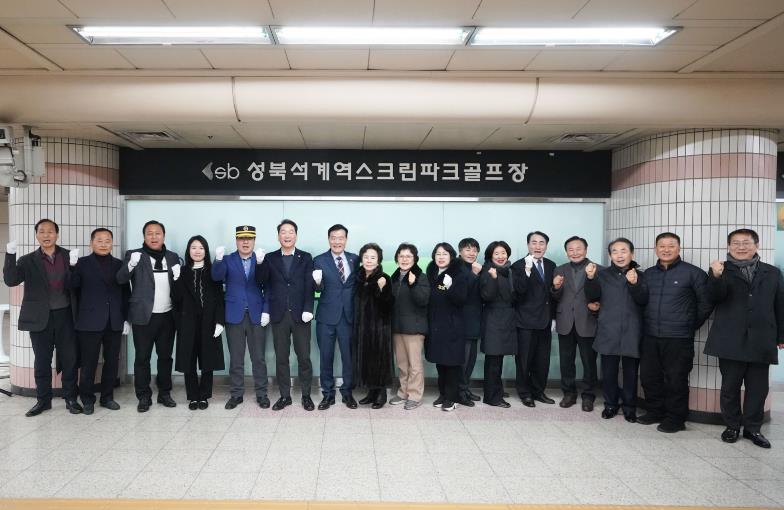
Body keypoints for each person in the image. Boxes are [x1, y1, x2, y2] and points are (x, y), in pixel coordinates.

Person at [704, 229, 784, 449]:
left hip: (762, 338)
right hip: (730, 338)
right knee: (730, 387)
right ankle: (732, 426)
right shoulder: (720, 269)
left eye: (746, 243)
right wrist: (716, 276)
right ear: (728, 246)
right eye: (736, 243)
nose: (741, 247)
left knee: (758, 388)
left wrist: (781, 335)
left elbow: (780, 304)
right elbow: (713, 297)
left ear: (756, 245)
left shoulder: (772, 272)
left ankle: (753, 428)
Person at [4, 219, 81, 417]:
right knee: (42, 361)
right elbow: (11, 280)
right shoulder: (27, 260)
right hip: (39, 318)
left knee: (70, 359)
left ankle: (71, 398)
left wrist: (74, 267)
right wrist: (10, 255)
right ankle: (43, 400)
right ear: (36, 235)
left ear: (57, 234)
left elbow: (78, 285)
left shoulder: (68, 256)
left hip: (66, 316)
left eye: (50, 231)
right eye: (42, 231)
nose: (46, 235)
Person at [638, 232, 712, 433]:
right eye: (662, 246)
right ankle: (655, 411)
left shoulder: (693, 273)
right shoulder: (648, 274)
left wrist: (689, 325)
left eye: (671, 246)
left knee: (676, 379)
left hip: (678, 337)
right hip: (650, 335)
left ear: (679, 248)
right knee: (649, 377)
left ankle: (675, 419)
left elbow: (706, 303)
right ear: (655, 249)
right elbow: (640, 301)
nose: (666, 249)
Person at [117, 220, 181, 413]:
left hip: (168, 316)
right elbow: (120, 279)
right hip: (143, 316)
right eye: (149, 233)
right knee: (142, 358)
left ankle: (164, 393)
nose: (154, 237)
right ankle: (143, 396)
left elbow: (179, 288)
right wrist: (130, 265)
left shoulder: (173, 257)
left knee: (165, 357)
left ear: (163, 236)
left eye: (157, 233)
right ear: (144, 237)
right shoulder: (134, 255)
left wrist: (179, 277)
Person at [584, 238, 648, 422]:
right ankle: (610, 404)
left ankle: (629, 407)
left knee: (630, 372)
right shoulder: (602, 274)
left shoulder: (641, 275)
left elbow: (643, 300)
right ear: (610, 255)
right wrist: (590, 278)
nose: (619, 255)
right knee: (609, 371)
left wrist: (634, 284)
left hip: (632, 330)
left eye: (623, 251)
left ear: (632, 253)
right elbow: (592, 296)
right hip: (608, 329)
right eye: (615, 251)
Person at [256, 219, 315, 411]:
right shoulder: (270, 258)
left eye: (291, 232)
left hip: (301, 315)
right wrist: (259, 263)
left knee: (304, 357)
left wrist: (309, 308)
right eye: (283, 232)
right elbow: (262, 282)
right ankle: (285, 396)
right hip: (279, 315)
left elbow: (309, 285)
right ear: (278, 236)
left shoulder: (306, 257)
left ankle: (306, 395)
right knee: (281, 358)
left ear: (296, 235)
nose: (287, 235)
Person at [70, 228, 129, 415]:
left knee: (112, 362)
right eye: (99, 240)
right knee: (89, 363)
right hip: (89, 322)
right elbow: (72, 287)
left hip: (114, 321)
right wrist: (72, 268)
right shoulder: (81, 263)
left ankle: (107, 397)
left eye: (107, 240)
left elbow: (125, 293)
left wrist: (126, 318)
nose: (104, 244)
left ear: (112, 243)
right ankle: (87, 399)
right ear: (91, 243)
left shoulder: (119, 264)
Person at [212, 225, 270, 410]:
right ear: (236, 240)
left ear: (254, 240)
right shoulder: (228, 259)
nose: (245, 242)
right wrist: (217, 260)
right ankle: (236, 394)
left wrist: (266, 310)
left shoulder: (261, 260)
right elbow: (216, 277)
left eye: (249, 238)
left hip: (256, 315)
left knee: (258, 358)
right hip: (234, 314)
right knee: (236, 358)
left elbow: (268, 286)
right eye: (241, 238)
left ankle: (262, 394)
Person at [174, 236, 226, 410]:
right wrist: (176, 279)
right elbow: (176, 299)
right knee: (188, 361)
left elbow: (219, 299)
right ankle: (192, 396)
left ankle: (204, 396)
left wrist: (220, 322)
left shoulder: (213, 271)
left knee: (207, 360)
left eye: (201, 248)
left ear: (206, 251)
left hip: (208, 322)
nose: (197, 251)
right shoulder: (182, 271)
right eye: (194, 247)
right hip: (187, 323)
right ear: (188, 250)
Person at [312, 224, 359, 410]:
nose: (337, 241)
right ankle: (328, 394)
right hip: (326, 317)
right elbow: (316, 288)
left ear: (346, 239)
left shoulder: (355, 259)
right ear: (328, 239)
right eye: (333, 237)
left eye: (341, 238)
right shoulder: (319, 260)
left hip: (349, 316)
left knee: (349, 357)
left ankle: (347, 393)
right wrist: (316, 282)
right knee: (326, 356)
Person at [551, 236, 599, 412]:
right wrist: (556, 288)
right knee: (566, 361)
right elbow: (555, 297)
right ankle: (569, 393)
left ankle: (588, 396)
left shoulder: (598, 269)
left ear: (586, 250)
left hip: (587, 321)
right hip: (565, 321)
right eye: (571, 249)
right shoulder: (560, 269)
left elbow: (600, 296)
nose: (575, 252)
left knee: (589, 362)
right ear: (566, 252)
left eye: (579, 249)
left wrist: (596, 307)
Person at [511, 231, 557, 407]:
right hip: (525, 321)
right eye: (534, 242)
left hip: (545, 321)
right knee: (524, 360)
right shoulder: (518, 266)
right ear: (528, 245)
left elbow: (552, 294)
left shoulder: (551, 265)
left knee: (542, 360)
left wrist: (554, 317)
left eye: (541, 243)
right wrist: (527, 272)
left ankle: (538, 391)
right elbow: (518, 292)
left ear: (546, 246)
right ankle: (525, 393)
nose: (538, 246)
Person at [426, 242, 469, 411]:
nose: (441, 257)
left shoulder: (459, 274)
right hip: (436, 324)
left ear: (451, 256)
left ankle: (453, 397)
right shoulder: (432, 272)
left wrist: (450, 287)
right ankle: (443, 394)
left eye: (445, 254)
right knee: (440, 362)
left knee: (451, 364)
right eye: (438, 254)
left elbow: (461, 299)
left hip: (453, 326)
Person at [352, 243, 394, 409]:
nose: (369, 260)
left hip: (378, 327)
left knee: (378, 360)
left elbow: (388, 305)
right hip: (362, 326)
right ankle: (371, 392)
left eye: (373, 257)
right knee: (366, 359)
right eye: (366, 257)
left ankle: (381, 394)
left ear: (378, 260)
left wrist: (382, 290)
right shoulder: (358, 278)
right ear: (362, 259)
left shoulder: (384, 278)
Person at [389, 243, 430, 410]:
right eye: (401, 256)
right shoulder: (394, 277)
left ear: (415, 259)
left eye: (408, 256)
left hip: (414, 328)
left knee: (414, 365)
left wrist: (413, 284)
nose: (404, 259)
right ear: (397, 258)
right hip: (397, 327)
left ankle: (414, 395)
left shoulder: (421, 277)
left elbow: (423, 300)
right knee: (402, 363)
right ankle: (403, 392)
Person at [480, 241, 517, 408]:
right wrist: (494, 279)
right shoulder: (488, 271)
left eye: (503, 253)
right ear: (490, 256)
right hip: (493, 320)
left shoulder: (509, 271)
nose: (501, 256)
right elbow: (486, 296)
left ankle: (496, 389)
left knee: (498, 359)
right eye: (496, 254)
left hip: (506, 319)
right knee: (493, 360)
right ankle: (492, 397)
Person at [457, 237, 483, 404]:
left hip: (475, 320)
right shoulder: (456, 268)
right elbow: (461, 293)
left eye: (474, 250)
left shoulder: (478, 267)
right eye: (468, 249)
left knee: (471, 358)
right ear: (460, 251)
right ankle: (459, 392)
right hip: (461, 322)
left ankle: (465, 388)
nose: (471, 253)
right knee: (463, 360)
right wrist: (474, 274)